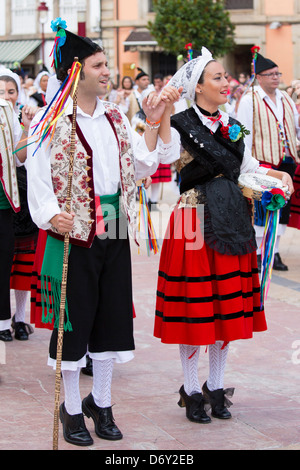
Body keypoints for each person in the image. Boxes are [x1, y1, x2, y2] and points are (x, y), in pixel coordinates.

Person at [26, 18, 178, 447]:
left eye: (107, 63)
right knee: (74, 324)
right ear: (76, 71)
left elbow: (146, 164)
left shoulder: (114, 115)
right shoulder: (49, 118)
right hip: (72, 231)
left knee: (112, 319)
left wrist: (153, 120)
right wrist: (50, 213)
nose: (108, 71)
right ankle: (72, 409)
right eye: (98, 65)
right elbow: (36, 173)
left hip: (114, 224)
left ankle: (103, 402)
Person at [153, 47, 294, 424]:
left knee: (225, 309)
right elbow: (164, 157)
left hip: (231, 216)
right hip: (194, 221)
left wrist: (275, 176)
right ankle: (191, 388)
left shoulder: (231, 122)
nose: (226, 82)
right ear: (197, 87)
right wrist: (163, 113)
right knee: (195, 312)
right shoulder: (181, 121)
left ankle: (216, 385)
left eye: (224, 77)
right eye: (217, 77)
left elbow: (246, 167)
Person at [237, 52, 300, 271]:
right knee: (262, 209)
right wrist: (246, 164)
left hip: (287, 160)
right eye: (270, 74)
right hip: (263, 162)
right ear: (259, 77)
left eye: (278, 73)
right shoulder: (249, 101)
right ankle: (258, 252)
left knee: (283, 209)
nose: (276, 77)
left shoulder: (286, 99)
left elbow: (294, 127)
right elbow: (243, 134)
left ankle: (274, 252)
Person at [0, 72, 38, 341]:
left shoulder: (18, 118)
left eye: (11, 92)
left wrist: (26, 126)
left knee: (20, 261)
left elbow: (20, 157)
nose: (6, 97)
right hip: (10, 198)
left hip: (19, 198)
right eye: (1, 92)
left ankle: (20, 317)